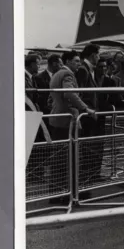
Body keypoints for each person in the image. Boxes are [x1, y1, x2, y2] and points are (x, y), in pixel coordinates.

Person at [48, 50, 98, 201]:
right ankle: (74, 192)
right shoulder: (67, 75)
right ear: (68, 61)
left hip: (58, 119)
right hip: (67, 121)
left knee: (60, 159)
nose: (79, 64)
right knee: (73, 157)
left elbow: (53, 98)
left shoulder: (57, 74)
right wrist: (86, 108)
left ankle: (59, 193)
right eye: (76, 61)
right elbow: (69, 93)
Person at [75, 44, 104, 186]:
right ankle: (85, 177)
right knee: (87, 146)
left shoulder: (90, 70)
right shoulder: (83, 70)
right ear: (93, 55)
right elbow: (79, 93)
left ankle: (90, 175)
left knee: (90, 146)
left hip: (90, 114)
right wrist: (86, 110)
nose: (99, 58)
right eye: (98, 55)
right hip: (86, 115)